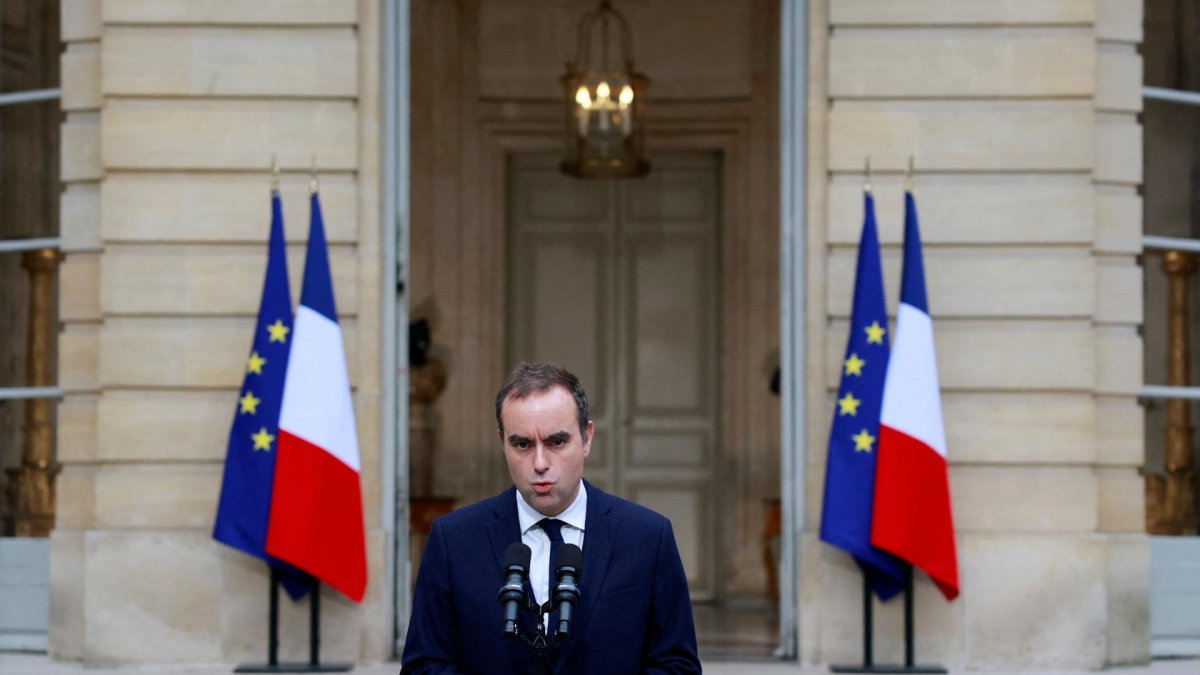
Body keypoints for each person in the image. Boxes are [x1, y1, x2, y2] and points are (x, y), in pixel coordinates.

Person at [401, 362, 701, 674]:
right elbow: (423, 666)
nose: (540, 463)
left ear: (587, 438)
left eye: (557, 441)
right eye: (522, 444)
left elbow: (677, 666)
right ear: (501, 442)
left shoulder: (648, 537)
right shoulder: (454, 539)